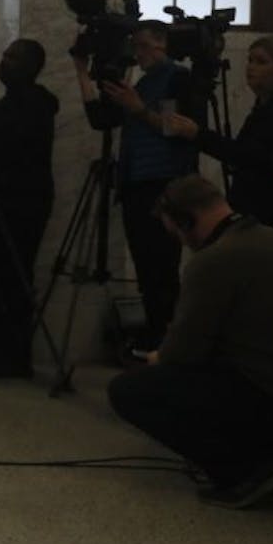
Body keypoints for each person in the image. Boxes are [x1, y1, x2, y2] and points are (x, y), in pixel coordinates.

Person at [107, 175, 273, 509]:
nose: (181, 242)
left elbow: (182, 354)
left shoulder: (213, 260)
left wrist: (155, 355)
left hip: (272, 397)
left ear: (185, 220)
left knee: (129, 390)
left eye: (176, 233)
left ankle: (244, 472)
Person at [74, 22, 200, 351]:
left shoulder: (176, 78)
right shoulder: (142, 82)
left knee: (161, 266)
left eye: (144, 46)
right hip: (134, 182)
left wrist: (139, 109)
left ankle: (164, 338)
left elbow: (176, 129)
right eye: (135, 46)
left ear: (162, 45)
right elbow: (102, 119)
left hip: (163, 181)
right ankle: (153, 333)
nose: (137, 53)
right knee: (146, 266)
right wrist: (81, 72)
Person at [0, 39, 59, 377]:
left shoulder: (38, 102)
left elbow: (2, 132)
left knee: (15, 277)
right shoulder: (10, 101)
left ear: (32, 66)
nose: (5, 62)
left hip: (23, 202)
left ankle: (15, 353)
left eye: (13, 58)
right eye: (4, 55)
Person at [162, 34, 273, 240]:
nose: (251, 67)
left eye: (261, 62)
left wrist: (198, 134)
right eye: (250, 60)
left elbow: (250, 155)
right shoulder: (266, 106)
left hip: (271, 212)